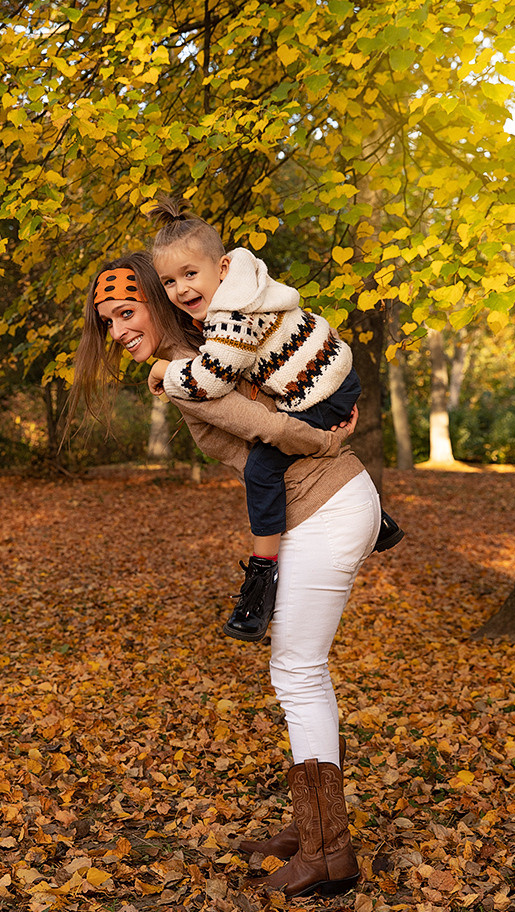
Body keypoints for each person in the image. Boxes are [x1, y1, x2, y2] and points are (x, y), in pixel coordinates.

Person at [68, 250, 384, 900]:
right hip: (316, 507)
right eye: (108, 322)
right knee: (301, 670)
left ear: (155, 301)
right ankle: (314, 831)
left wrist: (325, 442)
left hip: (328, 505)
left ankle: (329, 853)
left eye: (126, 312)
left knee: (295, 669)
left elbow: (267, 426)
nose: (119, 330)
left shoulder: (199, 365)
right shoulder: (201, 354)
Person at [145, 198, 403, 644]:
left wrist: (166, 372)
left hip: (319, 388)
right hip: (332, 373)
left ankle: (262, 576)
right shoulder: (251, 284)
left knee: (265, 468)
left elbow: (210, 379)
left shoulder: (232, 316)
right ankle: (378, 522)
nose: (181, 289)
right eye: (169, 281)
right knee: (280, 446)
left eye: (191, 274)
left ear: (222, 268)